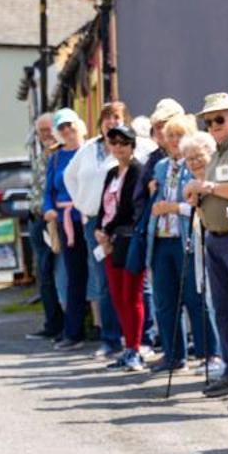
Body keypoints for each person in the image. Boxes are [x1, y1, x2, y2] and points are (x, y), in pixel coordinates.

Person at [184, 92, 228, 397]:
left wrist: (206, 186)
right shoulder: (216, 152)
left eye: (219, 118)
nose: (213, 124)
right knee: (223, 309)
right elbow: (211, 193)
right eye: (208, 120)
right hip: (214, 236)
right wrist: (197, 197)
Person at [148, 117, 212, 373]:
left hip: (186, 236)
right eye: (169, 135)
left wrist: (173, 207)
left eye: (179, 135)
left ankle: (210, 353)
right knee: (165, 300)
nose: (173, 141)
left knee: (195, 298)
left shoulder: (195, 164)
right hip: (162, 238)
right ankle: (173, 355)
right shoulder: (162, 167)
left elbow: (199, 203)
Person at [66, 101, 129, 358]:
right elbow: (69, 176)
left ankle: (137, 338)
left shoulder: (133, 146)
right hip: (95, 222)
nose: (111, 122)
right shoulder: (89, 149)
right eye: (107, 117)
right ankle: (111, 339)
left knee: (131, 279)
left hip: (124, 222)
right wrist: (82, 204)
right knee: (103, 282)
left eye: (116, 117)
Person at [97, 123, 150, 371]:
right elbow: (102, 206)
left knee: (132, 296)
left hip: (128, 239)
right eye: (114, 142)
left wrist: (106, 231)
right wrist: (99, 228)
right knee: (117, 296)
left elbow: (128, 209)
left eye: (124, 143)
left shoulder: (137, 171)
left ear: (132, 146)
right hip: (110, 241)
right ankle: (126, 347)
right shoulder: (111, 173)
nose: (118, 147)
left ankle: (135, 349)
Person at [44, 108, 91, 347]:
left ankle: (112, 333)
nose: (67, 131)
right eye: (61, 127)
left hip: (89, 218)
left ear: (78, 125)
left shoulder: (91, 151)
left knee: (102, 277)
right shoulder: (55, 157)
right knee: (73, 277)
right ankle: (73, 332)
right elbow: (48, 192)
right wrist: (48, 209)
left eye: (69, 125)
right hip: (66, 221)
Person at [25, 112, 65, 343]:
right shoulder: (43, 156)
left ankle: (59, 325)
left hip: (53, 221)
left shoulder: (60, 155)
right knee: (44, 272)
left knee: (54, 273)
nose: (46, 135)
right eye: (41, 131)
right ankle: (51, 323)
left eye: (49, 129)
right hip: (37, 220)